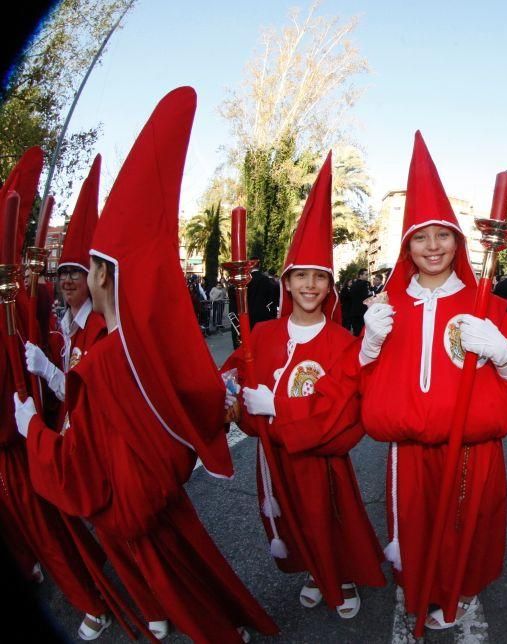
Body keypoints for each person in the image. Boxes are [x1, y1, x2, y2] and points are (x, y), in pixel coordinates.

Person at [15, 87, 277, 643]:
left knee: (179, 595)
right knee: (192, 573)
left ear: (105, 276)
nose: (79, 278)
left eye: (86, 267)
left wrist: (32, 431)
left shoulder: (108, 357)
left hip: (127, 504)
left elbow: (78, 458)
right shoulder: (132, 347)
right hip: (159, 496)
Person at [358, 132, 507, 630]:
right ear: (407, 246)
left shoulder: (489, 305)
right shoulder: (387, 308)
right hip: (408, 451)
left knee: (469, 525)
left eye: (442, 235)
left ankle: (464, 592)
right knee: (412, 527)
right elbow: (362, 379)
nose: (432, 246)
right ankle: (420, 591)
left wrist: (500, 352)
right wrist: (369, 344)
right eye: (420, 236)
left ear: (457, 242)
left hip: (471, 450)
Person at [222, 152, 384, 618]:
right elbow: (231, 384)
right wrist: (231, 395)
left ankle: (342, 575)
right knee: (291, 522)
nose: (310, 285)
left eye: (319, 277)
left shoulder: (340, 342)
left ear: (329, 286)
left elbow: (345, 412)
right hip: (272, 459)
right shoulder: (263, 335)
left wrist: (278, 407)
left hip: (319, 461)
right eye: (301, 277)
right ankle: (317, 572)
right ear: (287, 283)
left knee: (329, 519)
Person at [1, 148, 112, 640]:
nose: (67, 280)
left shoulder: (103, 327)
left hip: (84, 437)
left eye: (76, 271)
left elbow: (90, 387)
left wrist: (47, 376)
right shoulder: (57, 318)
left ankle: (102, 597)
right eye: (61, 272)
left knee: (94, 519)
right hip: (54, 429)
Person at [346, 269, 372, 336]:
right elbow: (367, 297)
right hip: (362, 312)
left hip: (354, 312)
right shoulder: (364, 283)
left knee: (356, 333)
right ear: (360, 275)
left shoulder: (353, 285)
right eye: (366, 275)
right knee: (363, 333)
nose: (367, 276)